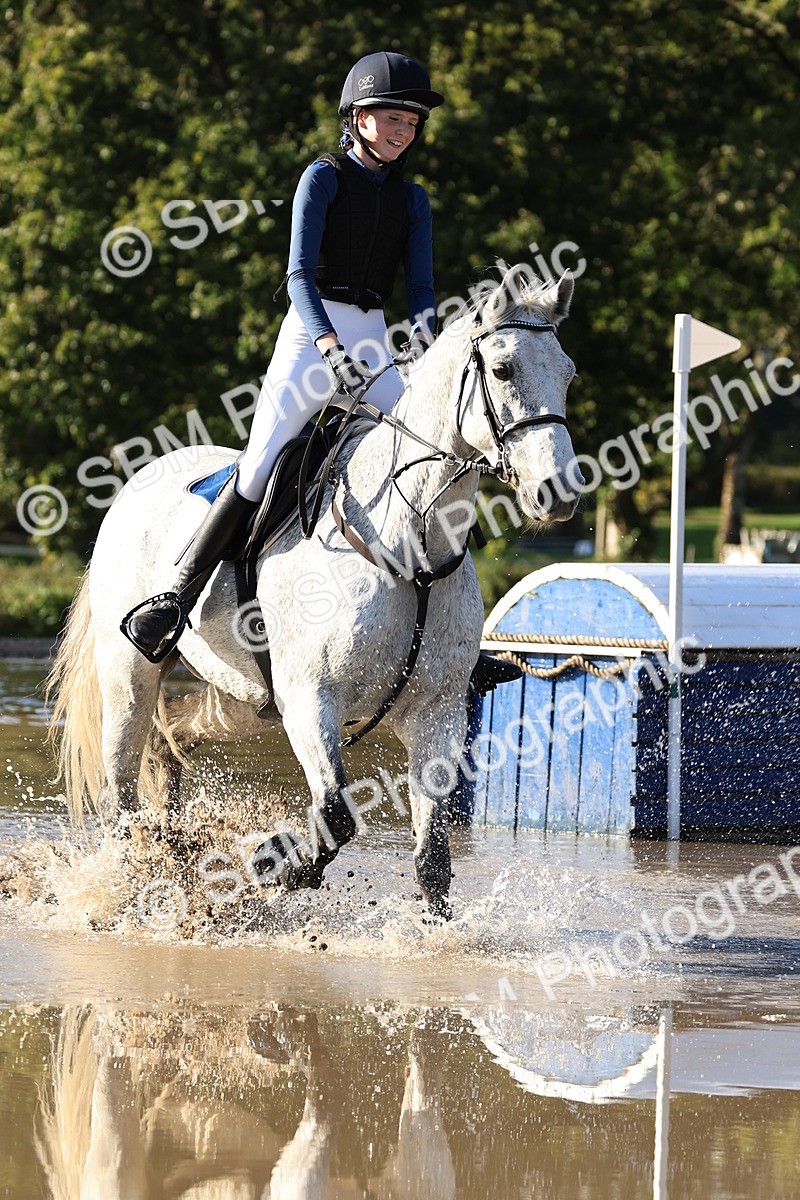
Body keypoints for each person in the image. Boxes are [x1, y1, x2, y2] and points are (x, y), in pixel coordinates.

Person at [122, 50, 442, 662]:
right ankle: (175, 599)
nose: (404, 129)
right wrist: (327, 344)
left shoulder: (413, 200)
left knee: (428, 452)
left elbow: (422, 292)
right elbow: (298, 275)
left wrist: (423, 344)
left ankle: (447, 632)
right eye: (391, 116)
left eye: (412, 120)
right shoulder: (321, 177)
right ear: (357, 116)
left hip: (373, 334)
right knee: (260, 463)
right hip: (311, 329)